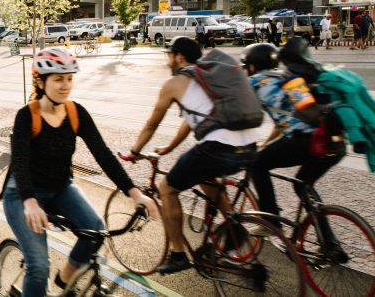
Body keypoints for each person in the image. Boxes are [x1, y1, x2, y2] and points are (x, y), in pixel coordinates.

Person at [0, 48, 157, 296]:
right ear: (41, 82)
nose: (66, 85)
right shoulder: (27, 116)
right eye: (58, 79)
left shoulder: (75, 113)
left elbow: (103, 155)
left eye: (70, 78)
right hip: (22, 195)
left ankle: (64, 280)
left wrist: (134, 193)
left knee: (95, 230)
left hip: (60, 188)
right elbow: (19, 161)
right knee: (39, 266)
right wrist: (30, 202)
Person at [127, 37, 261, 274]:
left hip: (219, 148)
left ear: (179, 56)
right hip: (249, 147)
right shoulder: (210, 78)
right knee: (206, 176)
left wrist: (135, 151)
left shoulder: (175, 83)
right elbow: (192, 121)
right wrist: (168, 148)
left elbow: (151, 124)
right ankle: (232, 225)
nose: (168, 60)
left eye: (169, 55)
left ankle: (178, 254)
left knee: (167, 189)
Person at [243, 41, 345, 231]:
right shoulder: (286, 77)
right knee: (303, 185)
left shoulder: (254, 82)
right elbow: (290, 116)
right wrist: (267, 142)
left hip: (308, 142)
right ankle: (330, 245)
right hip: (333, 138)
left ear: (251, 66)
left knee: (256, 164)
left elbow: (246, 117)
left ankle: (271, 222)